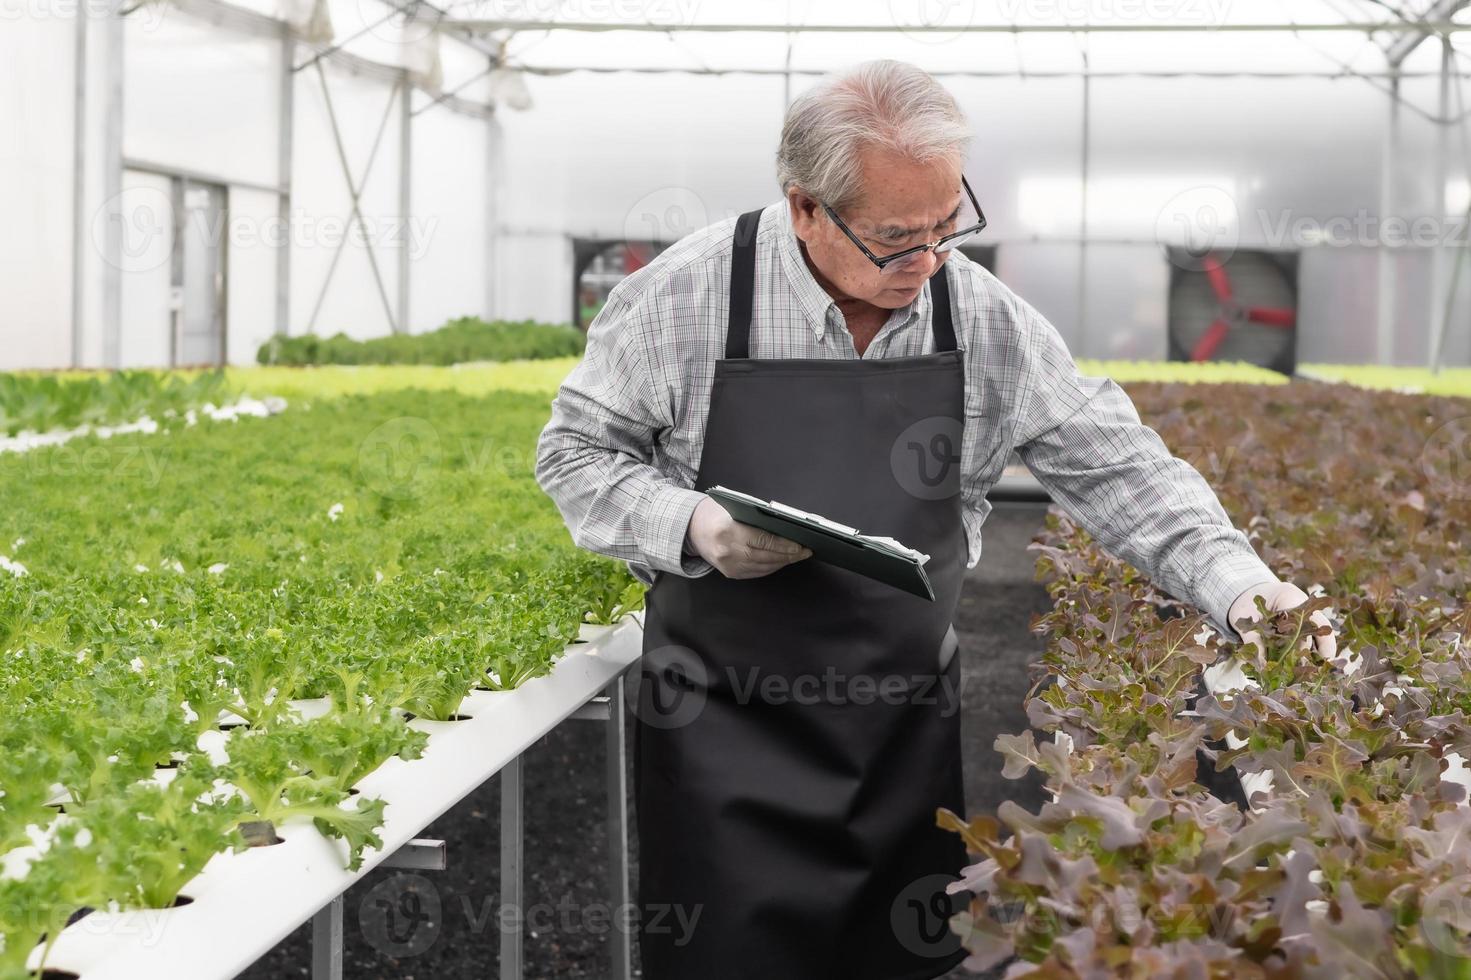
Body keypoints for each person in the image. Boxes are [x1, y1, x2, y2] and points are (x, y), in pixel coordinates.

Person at [535, 59, 1336, 980]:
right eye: (893, 240)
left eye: (946, 228)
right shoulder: (684, 300)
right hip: (721, 725)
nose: (924, 262)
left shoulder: (980, 318)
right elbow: (573, 455)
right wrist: (691, 525)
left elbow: (1119, 468)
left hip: (897, 723)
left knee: (903, 956)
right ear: (804, 208)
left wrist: (1244, 590)